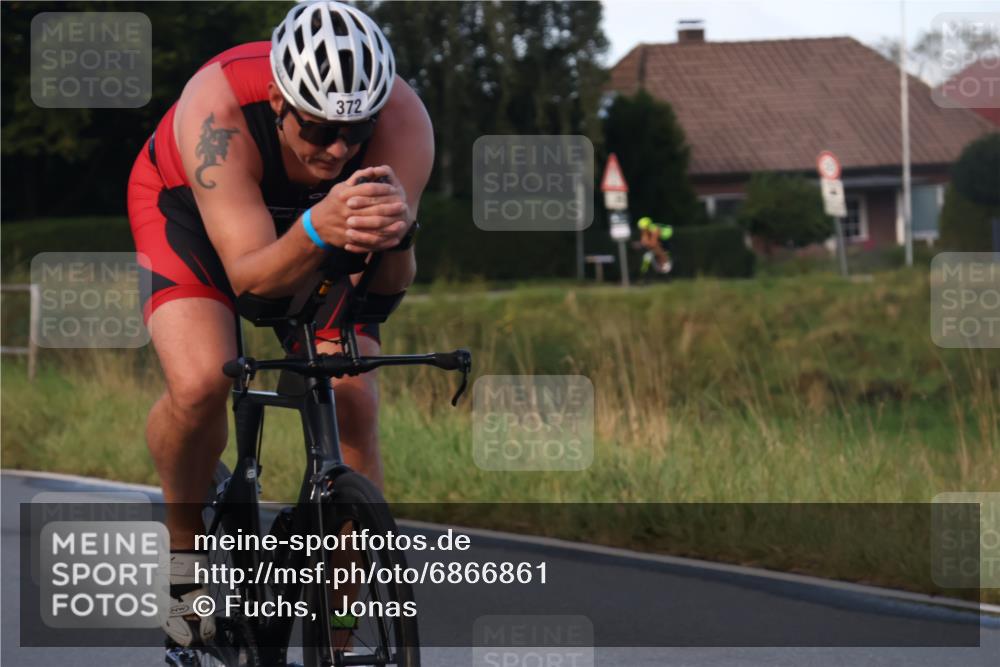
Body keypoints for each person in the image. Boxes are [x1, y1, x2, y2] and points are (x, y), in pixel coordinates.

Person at [125, 1, 432, 647]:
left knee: (355, 402)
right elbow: (253, 284)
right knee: (203, 382)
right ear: (278, 101)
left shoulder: (405, 121)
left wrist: (400, 237)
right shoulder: (218, 110)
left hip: (314, 230)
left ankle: (339, 628)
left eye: (357, 132)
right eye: (319, 131)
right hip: (194, 215)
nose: (342, 149)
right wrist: (320, 223)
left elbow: (385, 287)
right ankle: (184, 558)